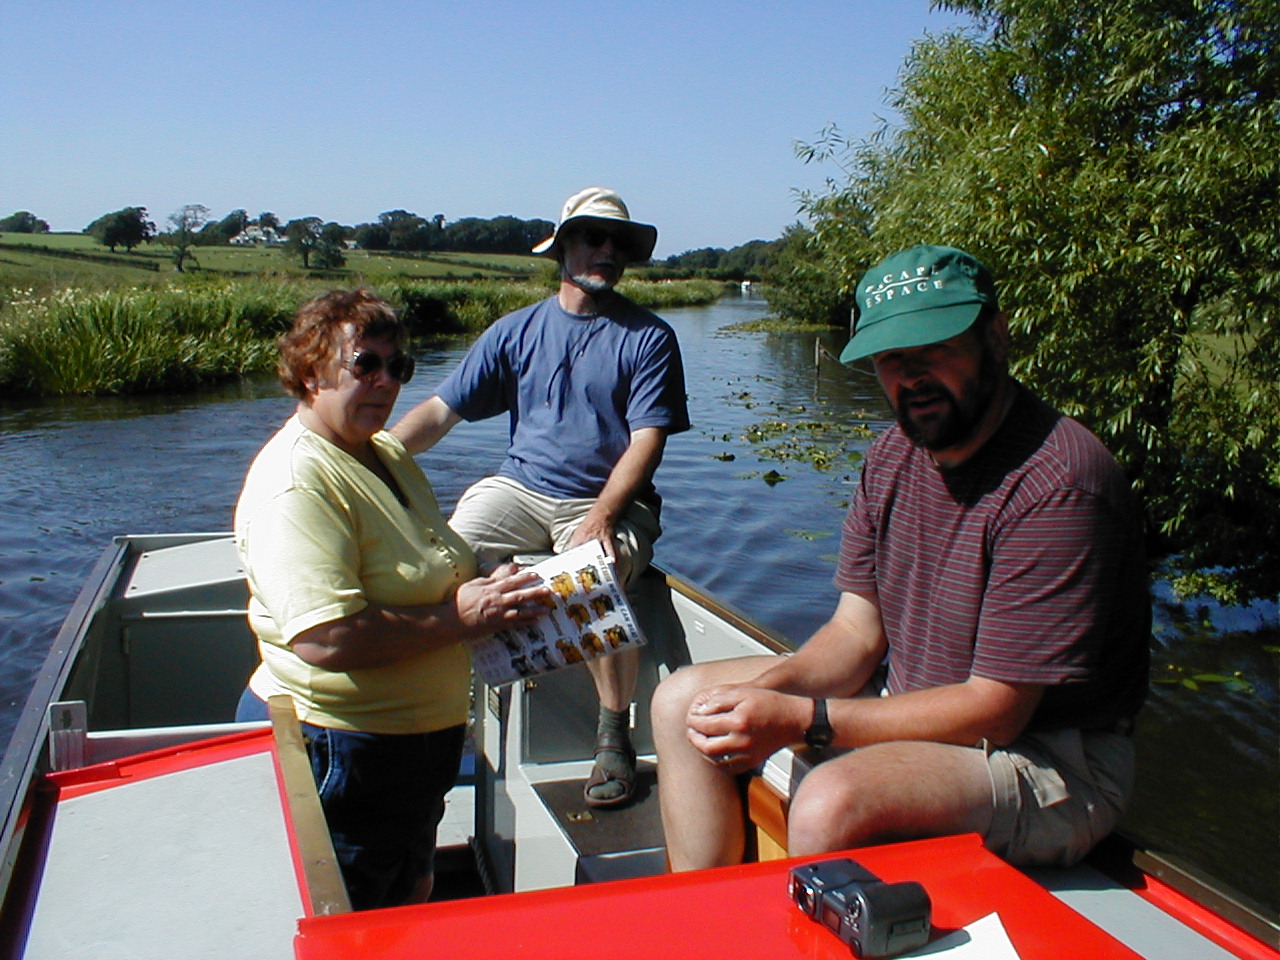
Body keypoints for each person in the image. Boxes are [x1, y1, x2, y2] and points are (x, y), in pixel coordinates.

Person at [652, 244, 1149, 870]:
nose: (911, 376)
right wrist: (764, 693)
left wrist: (804, 719)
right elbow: (855, 633)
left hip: (1049, 757)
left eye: (934, 349)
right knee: (682, 703)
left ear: (996, 338)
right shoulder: (892, 456)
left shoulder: (1059, 484)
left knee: (832, 802)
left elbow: (996, 709)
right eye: (891, 358)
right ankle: (707, 912)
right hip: (910, 696)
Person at [233, 289, 550, 910]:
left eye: (398, 366)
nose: (386, 381)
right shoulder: (295, 483)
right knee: (354, 921)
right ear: (310, 372)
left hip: (409, 751)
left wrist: (484, 580)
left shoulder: (382, 451)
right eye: (365, 364)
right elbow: (325, 638)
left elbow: (423, 557)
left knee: (408, 897)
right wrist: (462, 615)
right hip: (342, 750)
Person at [392, 187, 690, 808]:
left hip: (608, 498)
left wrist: (602, 516)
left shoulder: (650, 337)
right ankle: (449, 706)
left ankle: (613, 733)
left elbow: (647, 441)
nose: (606, 251)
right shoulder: (516, 331)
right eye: (592, 237)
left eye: (617, 242)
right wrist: (371, 460)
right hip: (521, 487)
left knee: (593, 573)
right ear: (563, 248)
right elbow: (440, 412)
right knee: (444, 556)